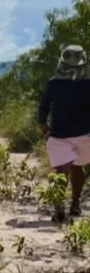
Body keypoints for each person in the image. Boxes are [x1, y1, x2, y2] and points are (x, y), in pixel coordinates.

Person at [37, 44, 90, 222]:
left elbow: (43, 108)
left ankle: (60, 207)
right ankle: (74, 204)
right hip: (85, 134)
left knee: (61, 170)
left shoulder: (54, 83)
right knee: (77, 168)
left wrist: (44, 127)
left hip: (59, 134)